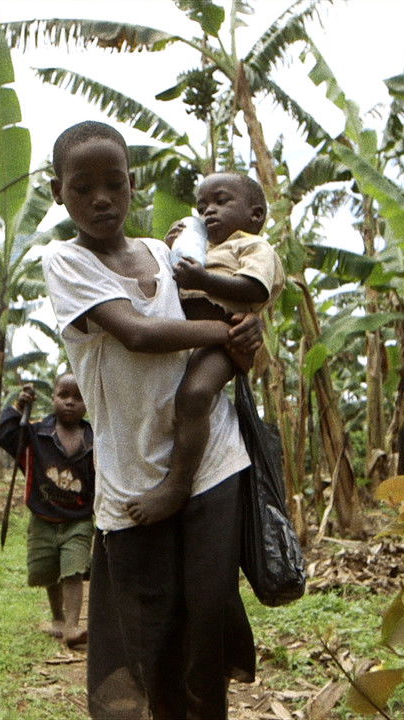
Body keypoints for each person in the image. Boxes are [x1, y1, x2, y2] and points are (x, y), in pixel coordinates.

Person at [41, 119, 261, 719]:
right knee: (150, 633)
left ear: (133, 183)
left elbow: (225, 316)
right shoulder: (65, 261)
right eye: (82, 187)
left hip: (212, 456)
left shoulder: (167, 254)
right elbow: (138, 333)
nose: (101, 198)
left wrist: (248, 331)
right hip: (136, 475)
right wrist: (229, 331)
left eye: (114, 183)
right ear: (57, 191)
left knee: (205, 623)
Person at [124, 172, 284, 526]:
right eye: (202, 206)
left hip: (226, 338)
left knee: (194, 396)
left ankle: (178, 485)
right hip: (192, 338)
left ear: (255, 215)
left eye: (221, 201)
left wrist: (203, 279)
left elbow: (254, 289)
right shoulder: (204, 248)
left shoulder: (253, 247)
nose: (209, 211)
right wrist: (171, 251)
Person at [0, 373, 94, 648]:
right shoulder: (37, 432)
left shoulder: (94, 439)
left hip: (78, 520)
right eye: (64, 396)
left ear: (88, 403)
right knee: (49, 570)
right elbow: (6, 436)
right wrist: (17, 407)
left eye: (78, 397)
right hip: (43, 518)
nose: (70, 403)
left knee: (73, 570)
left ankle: (74, 627)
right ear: (53, 398)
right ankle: (58, 618)